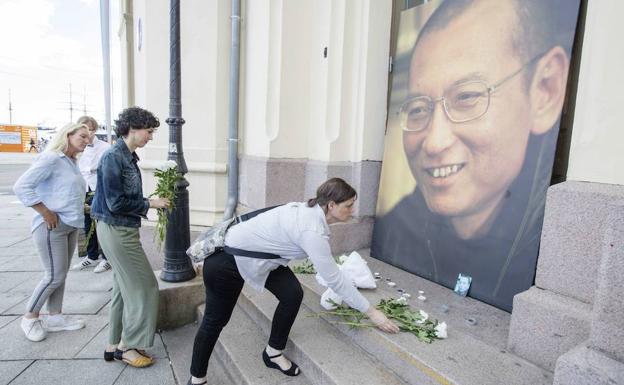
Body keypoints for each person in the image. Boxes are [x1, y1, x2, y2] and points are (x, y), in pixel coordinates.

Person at [372, 0, 580, 311]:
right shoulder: (396, 231)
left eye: (467, 97)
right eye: (417, 109)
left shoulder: (562, 252)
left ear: (545, 90)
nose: (434, 142)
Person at [188, 178, 399, 385]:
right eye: (349, 205)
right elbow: (334, 280)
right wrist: (373, 313)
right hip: (226, 264)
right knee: (214, 322)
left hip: (260, 258)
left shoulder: (311, 211)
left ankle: (272, 353)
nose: (353, 210)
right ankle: (197, 379)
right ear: (331, 205)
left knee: (292, 294)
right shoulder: (312, 230)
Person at [90, 107, 170, 368]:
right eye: (149, 131)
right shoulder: (115, 157)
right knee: (145, 287)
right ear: (133, 128)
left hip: (118, 229)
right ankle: (128, 347)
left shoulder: (126, 156)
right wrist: (150, 203)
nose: (150, 136)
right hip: (117, 230)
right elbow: (115, 202)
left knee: (124, 290)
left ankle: (113, 345)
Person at [13, 123, 91, 341]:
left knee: (60, 275)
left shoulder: (71, 162)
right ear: (68, 135)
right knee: (53, 275)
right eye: (82, 136)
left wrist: (84, 208)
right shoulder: (51, 159)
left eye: (88, 137)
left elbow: (64, 192)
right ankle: (29, 317)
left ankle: (55, 316)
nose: (87, 140)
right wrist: (45, 211)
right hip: (51, 226)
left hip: (70, 225)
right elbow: (21, 187)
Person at [72, 116, 111, 273]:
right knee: (87, 223)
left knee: (101, 223)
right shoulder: (77, 149)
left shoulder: (105, 147)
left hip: (99, 188)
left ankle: (106, 258)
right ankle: (91, 255)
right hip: (84, 188)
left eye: (91, 130)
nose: (88, 134)